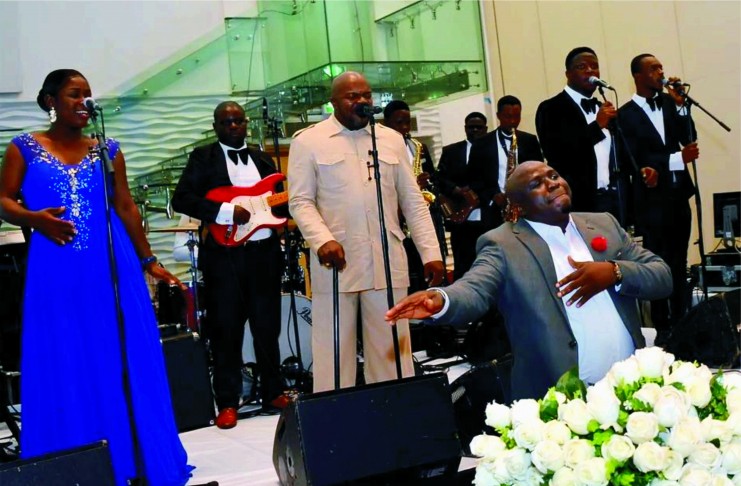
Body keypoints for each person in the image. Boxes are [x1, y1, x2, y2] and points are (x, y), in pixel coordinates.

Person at [0, 69, 192, 485]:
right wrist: (35, 219)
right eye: (74, 94)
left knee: (118, 352)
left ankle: (131, 458)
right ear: (50, 100)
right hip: (55, 265)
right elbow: (3, 201)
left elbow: (125, 206)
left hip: (110, 264)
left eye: (87, 94)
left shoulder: (106, 149)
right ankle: (72, 460)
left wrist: (148, 260)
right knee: (66, 352)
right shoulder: (24, 148)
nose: (84, 101)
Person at [386, 161, 672, 400]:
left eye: (553, 176)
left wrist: (614, 272)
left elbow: (662, 275)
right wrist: (441, 300)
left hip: (633, 389)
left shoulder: (604, 223)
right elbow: (475, 288)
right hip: (559, 400)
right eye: (536, 184)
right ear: (518, 207)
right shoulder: (503, 244)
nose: (552, 184)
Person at [287, 71, 444, 393]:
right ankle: (335, 414)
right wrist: (322, 240)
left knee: (392, 352)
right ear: (333, 102)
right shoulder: (308, 141)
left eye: (366, 95)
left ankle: (392, 412)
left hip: (387, 260)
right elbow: (300, 201)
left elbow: (412, 201)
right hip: (336, 263)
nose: (361, 101)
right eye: (352, 96)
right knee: (334, 353)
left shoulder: (390, 140)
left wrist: (431, 253)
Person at [172, 101, 287, 430]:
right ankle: (227, 402)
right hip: (224, 257)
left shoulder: (263, 159)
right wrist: (225, 212)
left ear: (246, 124)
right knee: (226, 329)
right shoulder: (203, 157)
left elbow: (279, 205)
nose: (233, 126)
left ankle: (273, 392)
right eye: (226, 122)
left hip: (264, 253)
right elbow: (182, 199)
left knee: (268, 326)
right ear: (216, 127)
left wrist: (290, 205)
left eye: (238, 121)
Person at [618, 54, 698, 344]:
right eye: (653, 68)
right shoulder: (625, 115)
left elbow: (689, 138)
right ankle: (663, 328)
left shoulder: (668, 102)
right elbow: (634, 158)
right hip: (651, 201)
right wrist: (675, 160)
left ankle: (683, 323)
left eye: (661, 67)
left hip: (678, 196)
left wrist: (681, 106)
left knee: (679, 261)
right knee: (658, 263)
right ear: (638, 76)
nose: (661, 72)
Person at [536, 47, 626, 222]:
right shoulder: (551, 108)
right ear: (568, 74)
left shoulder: (602, 107)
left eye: (595, 66)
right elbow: (558, 154)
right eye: (582, 67)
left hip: (612, 201)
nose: (590, 71)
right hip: (577, 202)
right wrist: (596, 127)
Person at [383, 99, 448, 291]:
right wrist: (413, 185)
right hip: (396, 215)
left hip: (420, 212)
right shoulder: (381, 148)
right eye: (399, 123)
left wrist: (427, 181)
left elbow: (433, 177)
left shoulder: (418, 147)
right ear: (386, 123)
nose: (404, 127)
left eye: (407, 122)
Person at [434, 112, 493, 280]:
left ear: (486, 129)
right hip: (460, 218)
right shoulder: (451, 151)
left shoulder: (493, 150)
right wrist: (456, 190)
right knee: (462, 265)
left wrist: (475, 191)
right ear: (465, 128)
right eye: (471, 127)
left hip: (487, 216)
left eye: (479, 127)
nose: (475, 130)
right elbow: (440, 178)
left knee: (489, 263)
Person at [469, 95, 544, 219]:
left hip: (526, 206)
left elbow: (539, 172)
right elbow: (474, 179)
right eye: (508, 117)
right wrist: (493, 196)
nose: (513, 121)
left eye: (517, 116)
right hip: (494, 210)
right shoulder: (481, 144)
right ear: (498, 116)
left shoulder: (529, 140)